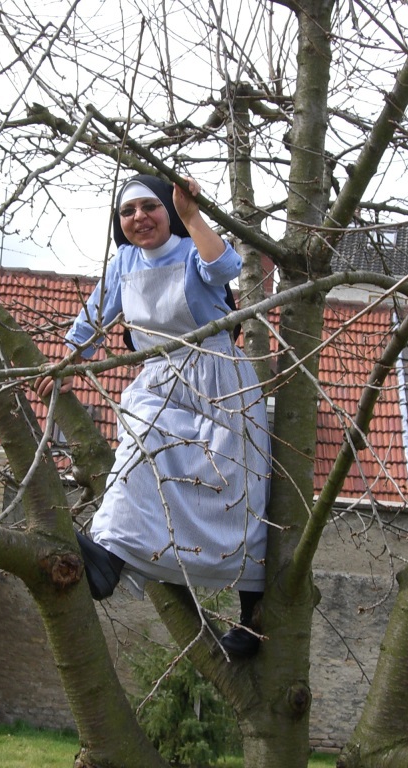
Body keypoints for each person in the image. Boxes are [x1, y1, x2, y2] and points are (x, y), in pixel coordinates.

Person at [37, 174, 270, 657]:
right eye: (128, 211)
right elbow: (92, 320)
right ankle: (110, 555)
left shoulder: (190, 251)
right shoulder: (123, 263)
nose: (139, 217)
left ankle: (253, 618)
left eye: (150, 206)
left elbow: (225, 266)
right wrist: (65, 365)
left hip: (217, 379)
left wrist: (192, 217)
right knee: (138, 452)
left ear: (168, 210)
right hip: (159, 381)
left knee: (237, 488)